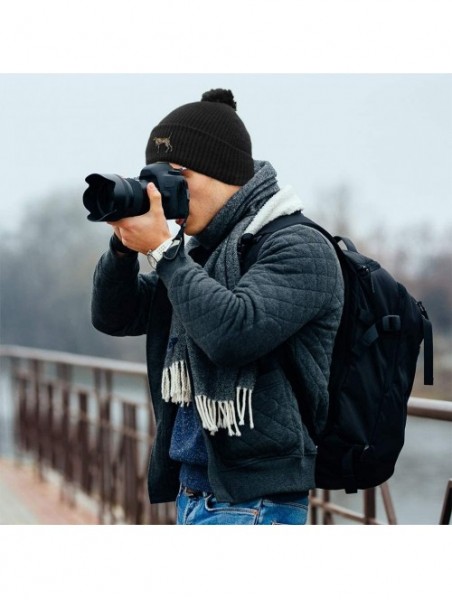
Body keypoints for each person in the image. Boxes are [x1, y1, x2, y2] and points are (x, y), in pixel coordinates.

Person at [91, 88, 344, 525]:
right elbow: (115, 315)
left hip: (255, 501)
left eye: (178, 177)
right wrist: (122, 248)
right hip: (196, 492)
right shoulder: (204, 254)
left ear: (224, 172)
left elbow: (233, 332)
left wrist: (167, 254)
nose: (166, 193)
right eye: (154, 180)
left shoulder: (298, 246)